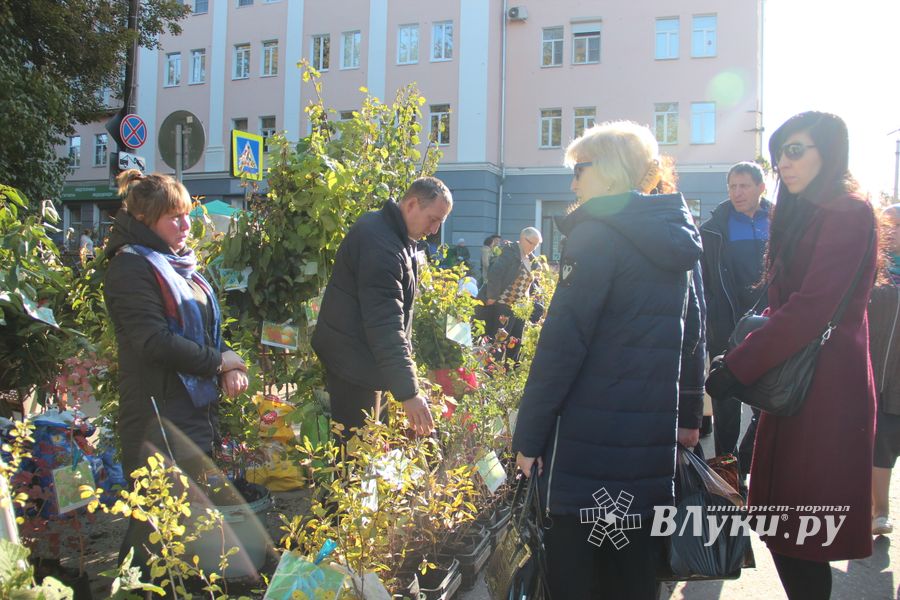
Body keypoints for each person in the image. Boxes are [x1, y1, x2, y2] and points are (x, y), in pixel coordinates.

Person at [512, 121, 705, 599]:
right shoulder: (677, 237)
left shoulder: (596, 235)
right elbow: (695, 335)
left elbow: (562, 346)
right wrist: (688, 416)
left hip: (587, 446)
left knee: (577, 574)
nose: (573, 183)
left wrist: (529, 438)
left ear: (611, 171)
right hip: (647, 445)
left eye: (579, 169)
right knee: (631, 571)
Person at [706, 111, 876, 599]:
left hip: (826, 389)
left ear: (829, 150)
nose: (784, 161)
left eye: (796, 150)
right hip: (794, 383)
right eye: (779, 153)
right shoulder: (803, 211)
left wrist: (739, 365)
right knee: (785, 526)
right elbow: (786, 305)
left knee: (803, 532)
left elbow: (812, 308)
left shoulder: (848, 211)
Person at [103, 169, 249, 573]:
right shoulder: (131, 267)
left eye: (186, 214)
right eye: (174, 218)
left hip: (190, 411)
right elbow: (154, 341)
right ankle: (132, 592)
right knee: (153, 527)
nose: (186, 225)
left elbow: (203, 330)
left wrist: (226, 360)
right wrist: (218, 362)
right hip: (157, 415)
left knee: (180, 523)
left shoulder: (176, 264)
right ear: (145, 221)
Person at [311, 177, 452, 440]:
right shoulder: (380, 244)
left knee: (372, 446)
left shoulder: (393, 234)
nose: (434, 230)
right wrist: (409, 393)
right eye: (433, 219)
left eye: (439, 223)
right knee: (358, 450)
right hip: (354, 364)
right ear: (411, 204)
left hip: (365, 359)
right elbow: (385, 325)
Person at [700, 161, 772, 480]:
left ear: (761, 188)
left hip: (769, 330)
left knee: (768, 408)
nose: (737, 192)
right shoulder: (712, 230)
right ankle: (726, 484)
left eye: (744, 186)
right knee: (726, 413)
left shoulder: (782, 223)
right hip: (726, 330)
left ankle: (741, 464)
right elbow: (703, 283)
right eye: (732, 186)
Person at [869, 204, 900, 536]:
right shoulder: (872, 268)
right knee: (882, 442)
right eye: (887, 226)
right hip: (875, 373)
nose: (890, 233)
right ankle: (880, 511)